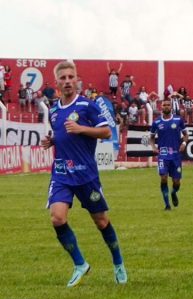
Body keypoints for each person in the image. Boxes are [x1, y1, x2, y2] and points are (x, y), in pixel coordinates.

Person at [40, 61, 127, 287]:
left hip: (85, 174)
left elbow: (107, 131)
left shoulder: (88, 106)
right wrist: (52, 141)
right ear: (57, 82)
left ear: (76, 79)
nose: (68, 81)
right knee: (57, 218)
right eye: (63, 78)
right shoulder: (54, 111)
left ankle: (118, 263)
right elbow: (62, 135)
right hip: (61, 173)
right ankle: (80, 264)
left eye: (71, 77)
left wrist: (81, 129)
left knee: (101, 221)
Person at [150, 99, 188, 211]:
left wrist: (184, 143)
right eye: (164, 105)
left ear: (171, 107)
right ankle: (167, 205)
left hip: (176, 155)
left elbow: (186, 134)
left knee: (176, 181)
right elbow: (151, 137)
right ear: (161, 107)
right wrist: (153, 147)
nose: (166, 106)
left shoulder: (178, 120)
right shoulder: (156, 122)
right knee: (163, 178)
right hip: (163, 154)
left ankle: (173, 193)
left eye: (168, 105)